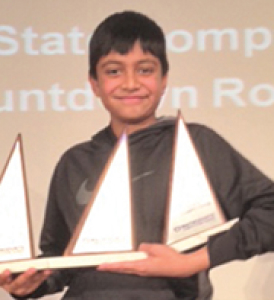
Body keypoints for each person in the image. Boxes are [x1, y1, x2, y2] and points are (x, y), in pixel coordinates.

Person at [1, 10, 274, 300]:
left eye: (145, 70)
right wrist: (32, 284)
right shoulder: (74, 162)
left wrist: (192, 263)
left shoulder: (195, 144)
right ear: (94, 83)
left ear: (164, 78)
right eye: (114, 71)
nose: (131, 83)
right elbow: (60, 260)